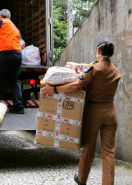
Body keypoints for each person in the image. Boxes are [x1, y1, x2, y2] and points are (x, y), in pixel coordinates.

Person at [40, 41, 121, 185]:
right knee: (109, 152)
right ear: (112, 54)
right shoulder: (116, 70)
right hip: (111, 112)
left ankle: (82, 179)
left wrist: (53, 90)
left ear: (98, 51)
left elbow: (77, 85)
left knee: (89, 147)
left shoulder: (94, 68)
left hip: (94, 111)